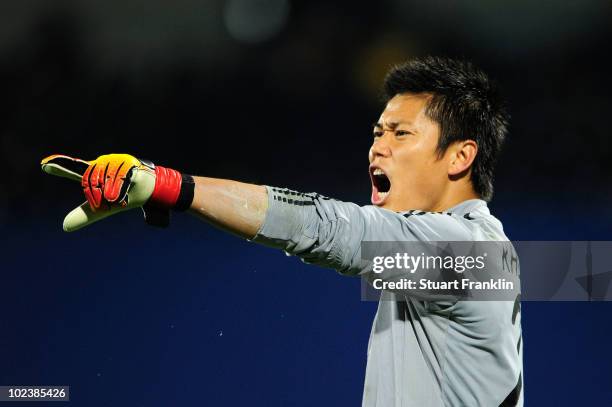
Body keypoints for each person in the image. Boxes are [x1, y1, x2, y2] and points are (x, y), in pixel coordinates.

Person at [41, 56, 523, 406]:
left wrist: (172, 187)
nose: (378, 149)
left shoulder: (473, 254)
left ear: (461, 157)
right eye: (378, 133)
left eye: (401, 134)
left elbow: (329, 228)